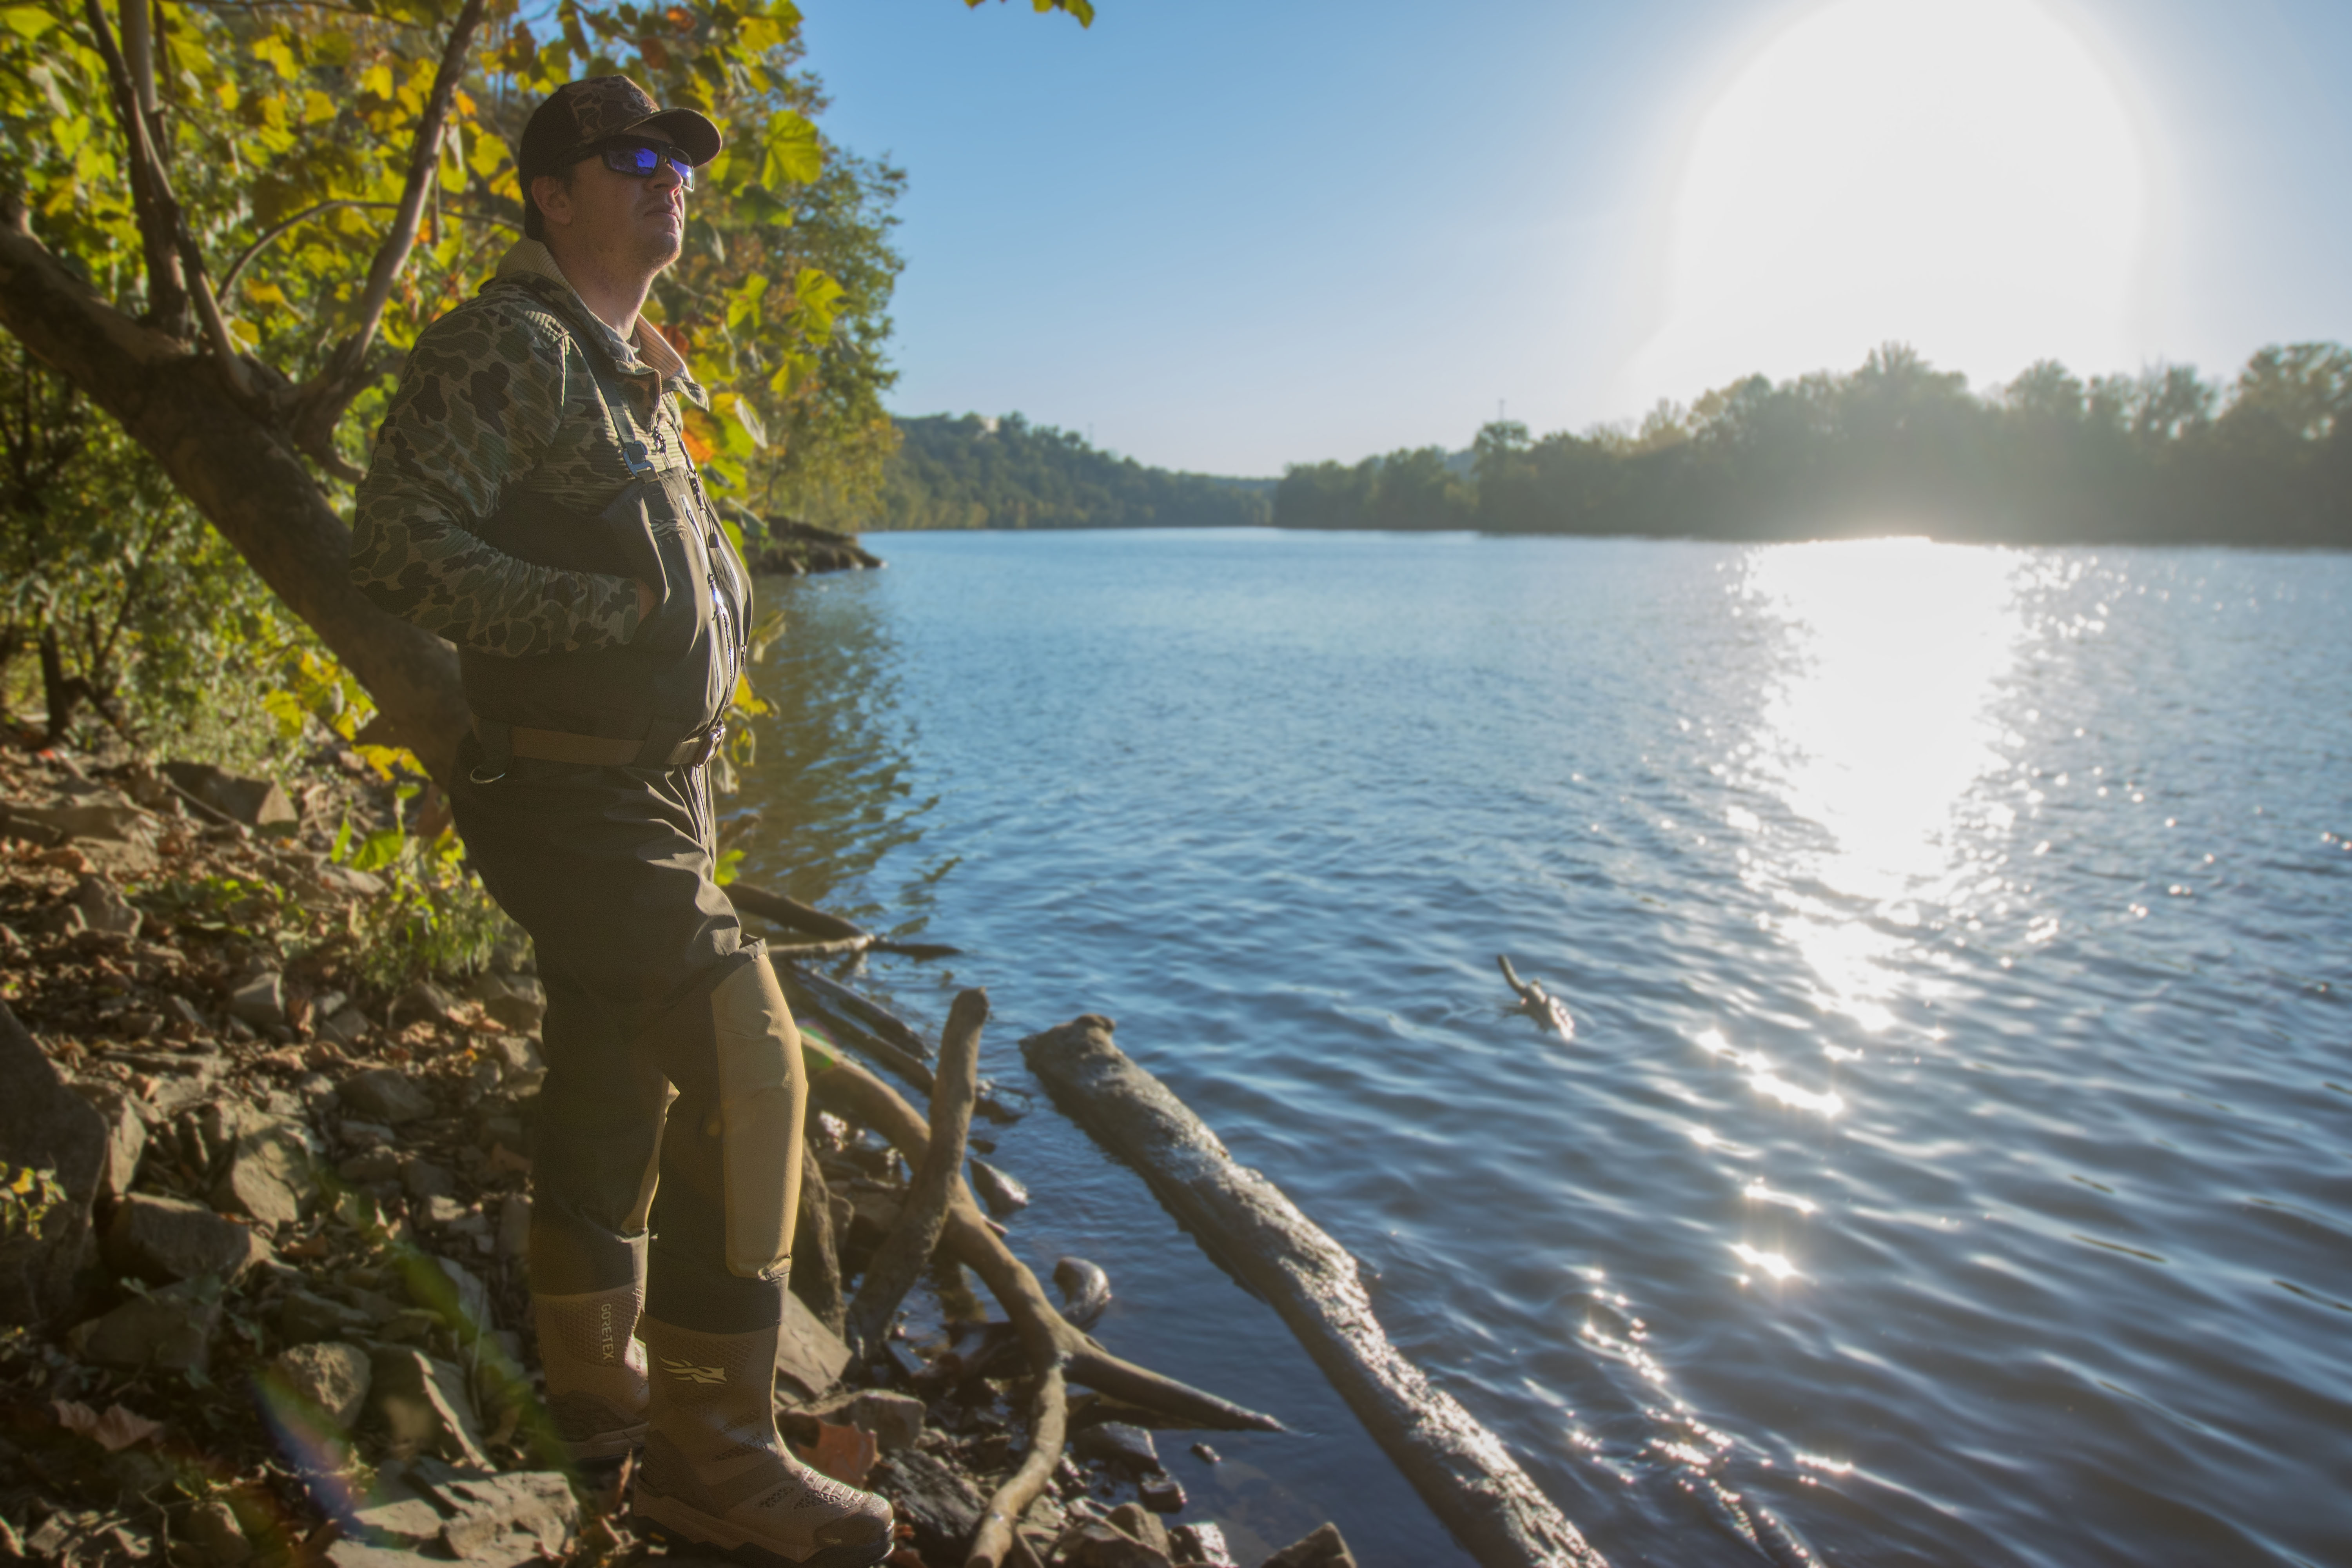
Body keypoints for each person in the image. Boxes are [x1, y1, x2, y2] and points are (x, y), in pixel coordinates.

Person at [349, 76, 895, 1568]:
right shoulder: (506, 348)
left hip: (649, 793)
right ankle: (720, 1457)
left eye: (682, 163)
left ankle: (595, 1391)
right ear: (555, 194)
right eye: (633, 159)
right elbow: (396, 543)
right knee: (750, 1061)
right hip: (569, 787)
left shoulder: (626, 367)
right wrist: (605, 608)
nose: (672, 182)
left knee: (612, 1069)